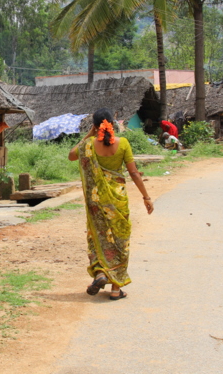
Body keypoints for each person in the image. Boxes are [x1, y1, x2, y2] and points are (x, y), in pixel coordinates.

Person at [68, 108, 154, 301]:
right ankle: (116, 288)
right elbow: (133, 173)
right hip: (118, 200)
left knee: (98, 236)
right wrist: (146, 197)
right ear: (113, 123)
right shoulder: (123, 143)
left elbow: (71, 155)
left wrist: (89, 135)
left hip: (97, 202)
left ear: (95, 125)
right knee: (119, 241)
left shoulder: (88, 144)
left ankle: (100, 272)